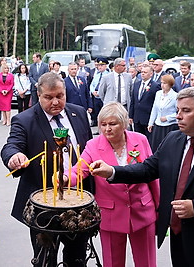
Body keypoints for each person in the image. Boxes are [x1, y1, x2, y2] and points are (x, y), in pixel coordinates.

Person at [91, 87, 194, 267]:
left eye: (186, 111)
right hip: (180, 237)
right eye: (178, 110)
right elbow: (148, 169)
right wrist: (113, 172)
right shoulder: (173, 139)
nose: (178, 116)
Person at [0, 72, 93, 267]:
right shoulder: (25, 120)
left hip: (78, 200)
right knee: (45, 258)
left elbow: (90, 149)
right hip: (44, 205)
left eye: (60, 96)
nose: (55, 102)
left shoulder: (79, 113)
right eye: (49, 97)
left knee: (77, 257)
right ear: (38, 95)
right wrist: (14, 157)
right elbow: (12, 145)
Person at [67, 102, 159, 266]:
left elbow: (153, 176)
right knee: (112, 262)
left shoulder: (141, 140)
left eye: (112, 124)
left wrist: (160, 206)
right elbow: (79, 171)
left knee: (147, 261)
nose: (107, 129)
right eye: (103, 124)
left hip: (142, 210)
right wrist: (65, 178)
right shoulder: (93, 146)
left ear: (124, 124)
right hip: (110, 214)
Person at [148, 74, 178, 151]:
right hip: (158, 125)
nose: (162, 85)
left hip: (169, 126)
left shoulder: (175, 96)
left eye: (165, 83)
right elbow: (154, 108)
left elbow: (179, 113)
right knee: (155, 147)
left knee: (166, 148)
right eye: (161, 83)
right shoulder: (158, 93)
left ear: (170, 84)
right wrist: (151, 123)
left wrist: (167, 118)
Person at [129, 65, 161, 138]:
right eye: (142, 72)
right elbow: (133, 101)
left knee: (148, 139)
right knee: (138, 138)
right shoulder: (137, 84)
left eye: (145, 72)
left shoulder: (155, 86)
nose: (142, 74)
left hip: (148, 117)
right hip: (137, 117)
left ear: (151, 74)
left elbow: (156, 103)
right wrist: (131, 115)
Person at [90, 58, 110, 127]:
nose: (100, 67)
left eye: (102, 65)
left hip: (103, 98)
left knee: (104, 114)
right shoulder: (97, 75)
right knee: (97, 114)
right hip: (96, 97)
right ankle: (99, 129)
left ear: (105, 66)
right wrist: (93, 91)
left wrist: (99, 92)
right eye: (99, 65)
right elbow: (92, 85)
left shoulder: (108, 75)